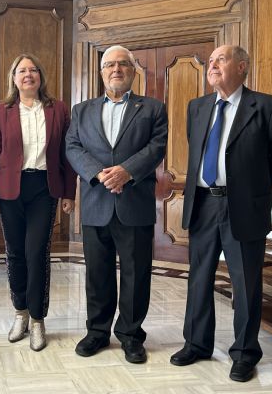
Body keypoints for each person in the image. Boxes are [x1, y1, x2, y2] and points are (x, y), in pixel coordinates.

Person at [170, 45, 272, 382]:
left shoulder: (267, 107)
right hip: (203, 202)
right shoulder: (197, 107)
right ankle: (196, 343)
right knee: (199, 278)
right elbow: (196, 153)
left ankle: (244, 353)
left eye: (220, 60)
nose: (213, 66)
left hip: (244, 205)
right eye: (210, 62)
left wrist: (249, 188)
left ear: (241, 66)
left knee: (246, 283)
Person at [65, 45, 168, 364]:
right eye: (109, 65)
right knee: (97, 273)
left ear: (134, 71)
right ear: (101, 73)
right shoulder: (82, 110)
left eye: (123, 64)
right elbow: (72, 146)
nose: (116, 69)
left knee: (137, 274)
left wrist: (127, 172)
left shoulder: (152, 108)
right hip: (96, 203)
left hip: (134, 203)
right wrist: (98, 173)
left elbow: (157, 147)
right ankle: (97, 332)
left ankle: (131, 335)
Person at [0, 53, 76, 351]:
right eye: (22, 70)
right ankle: (20, 313)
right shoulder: (2, 111)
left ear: (40, 76)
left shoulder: (58, 109)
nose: (28, 75)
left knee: (37, 253)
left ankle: (38, 319)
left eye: (33, 70)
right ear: (14, 77)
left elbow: (67, 154)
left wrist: (69, 193)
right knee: (16, 254)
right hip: (10, 189)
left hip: (44, 188)